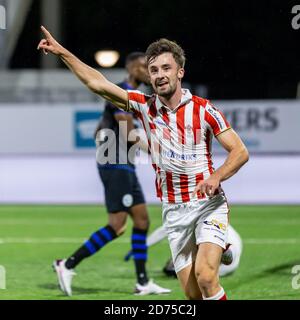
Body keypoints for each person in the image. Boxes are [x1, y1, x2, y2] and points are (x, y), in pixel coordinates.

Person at [38, 27, 249, 300]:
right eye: (154, 70)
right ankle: (219, 247)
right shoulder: (143, 105)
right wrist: (63, 53)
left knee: (206, 277)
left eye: (166, 68)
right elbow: (97, 83)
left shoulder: (204, 109)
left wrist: (216, 177)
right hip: (174, 213)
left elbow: (240, 152)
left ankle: (216, 245)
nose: (160, 75)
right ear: (149, 76)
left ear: (179, 72)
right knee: (193, 296)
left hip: (207, 204)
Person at [51, 52, 171, 296]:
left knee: (142, 221)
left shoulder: (133, 96)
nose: (148, 72)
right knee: (117, 226)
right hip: (115, 165)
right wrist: (159, 152)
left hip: (123, 164)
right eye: (143, 67)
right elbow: (128, 133)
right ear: (131, 68)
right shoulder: (121, 92)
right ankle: (67, 264)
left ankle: (142, 282)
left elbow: (102, 128)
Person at [134, 224, 242, 278]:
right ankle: (222, 250)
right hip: (230, 246)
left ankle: (222, 251)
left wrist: (144, 245)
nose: (171, 260)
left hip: (226, 258)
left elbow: (166, 228)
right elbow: (167, 228)